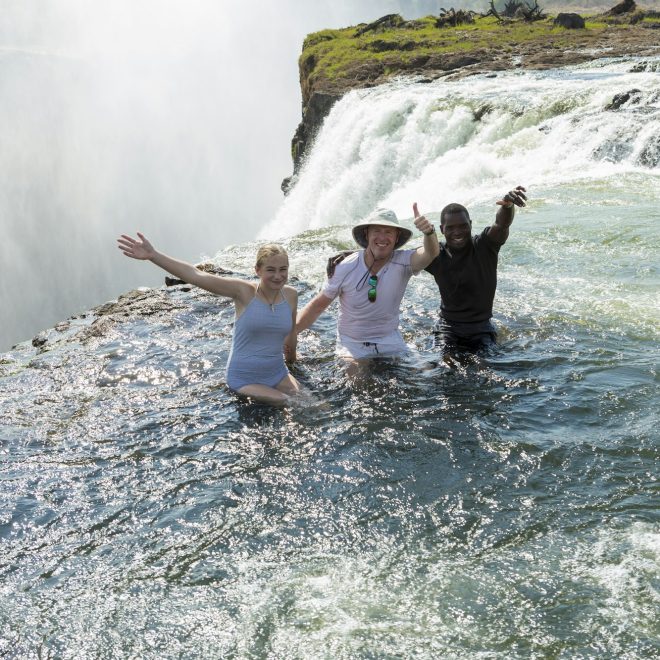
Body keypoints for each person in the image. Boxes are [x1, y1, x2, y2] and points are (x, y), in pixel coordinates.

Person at [117, 233, 302, 406]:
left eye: (283, 269)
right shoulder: (244, 292)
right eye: (271, 270)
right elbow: (196, 276)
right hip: (245, 378)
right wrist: (153, 255)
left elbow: (291, 333)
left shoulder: (291, 295)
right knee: (288, 403)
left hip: (277, 372)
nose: (278, 276)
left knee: (312, 402)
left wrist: (293, 362)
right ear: (257, 270)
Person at [295, 205, 440, 363]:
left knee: (423, 374)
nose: (382, 237)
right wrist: (287, 336)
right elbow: (317, 306)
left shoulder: (404, 261)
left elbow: (430, 253)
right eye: (377, 230)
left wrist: (429, 232)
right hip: (352, 344)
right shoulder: (345, 266)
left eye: (388, 232)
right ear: (367, 234)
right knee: (359, 380)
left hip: (390, 340)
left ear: (397, 237)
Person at [425, 185, 527, 352]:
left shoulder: (486, 246)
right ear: (442, 229)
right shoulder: (435, 254)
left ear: (470, 224)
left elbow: (501, 225)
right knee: (441, 365)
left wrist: (507, 206)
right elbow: (402, 262)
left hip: (481, 328)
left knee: (485, 368)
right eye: (450, 228)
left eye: (463, 226)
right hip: (448, 328)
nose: (457, 232)